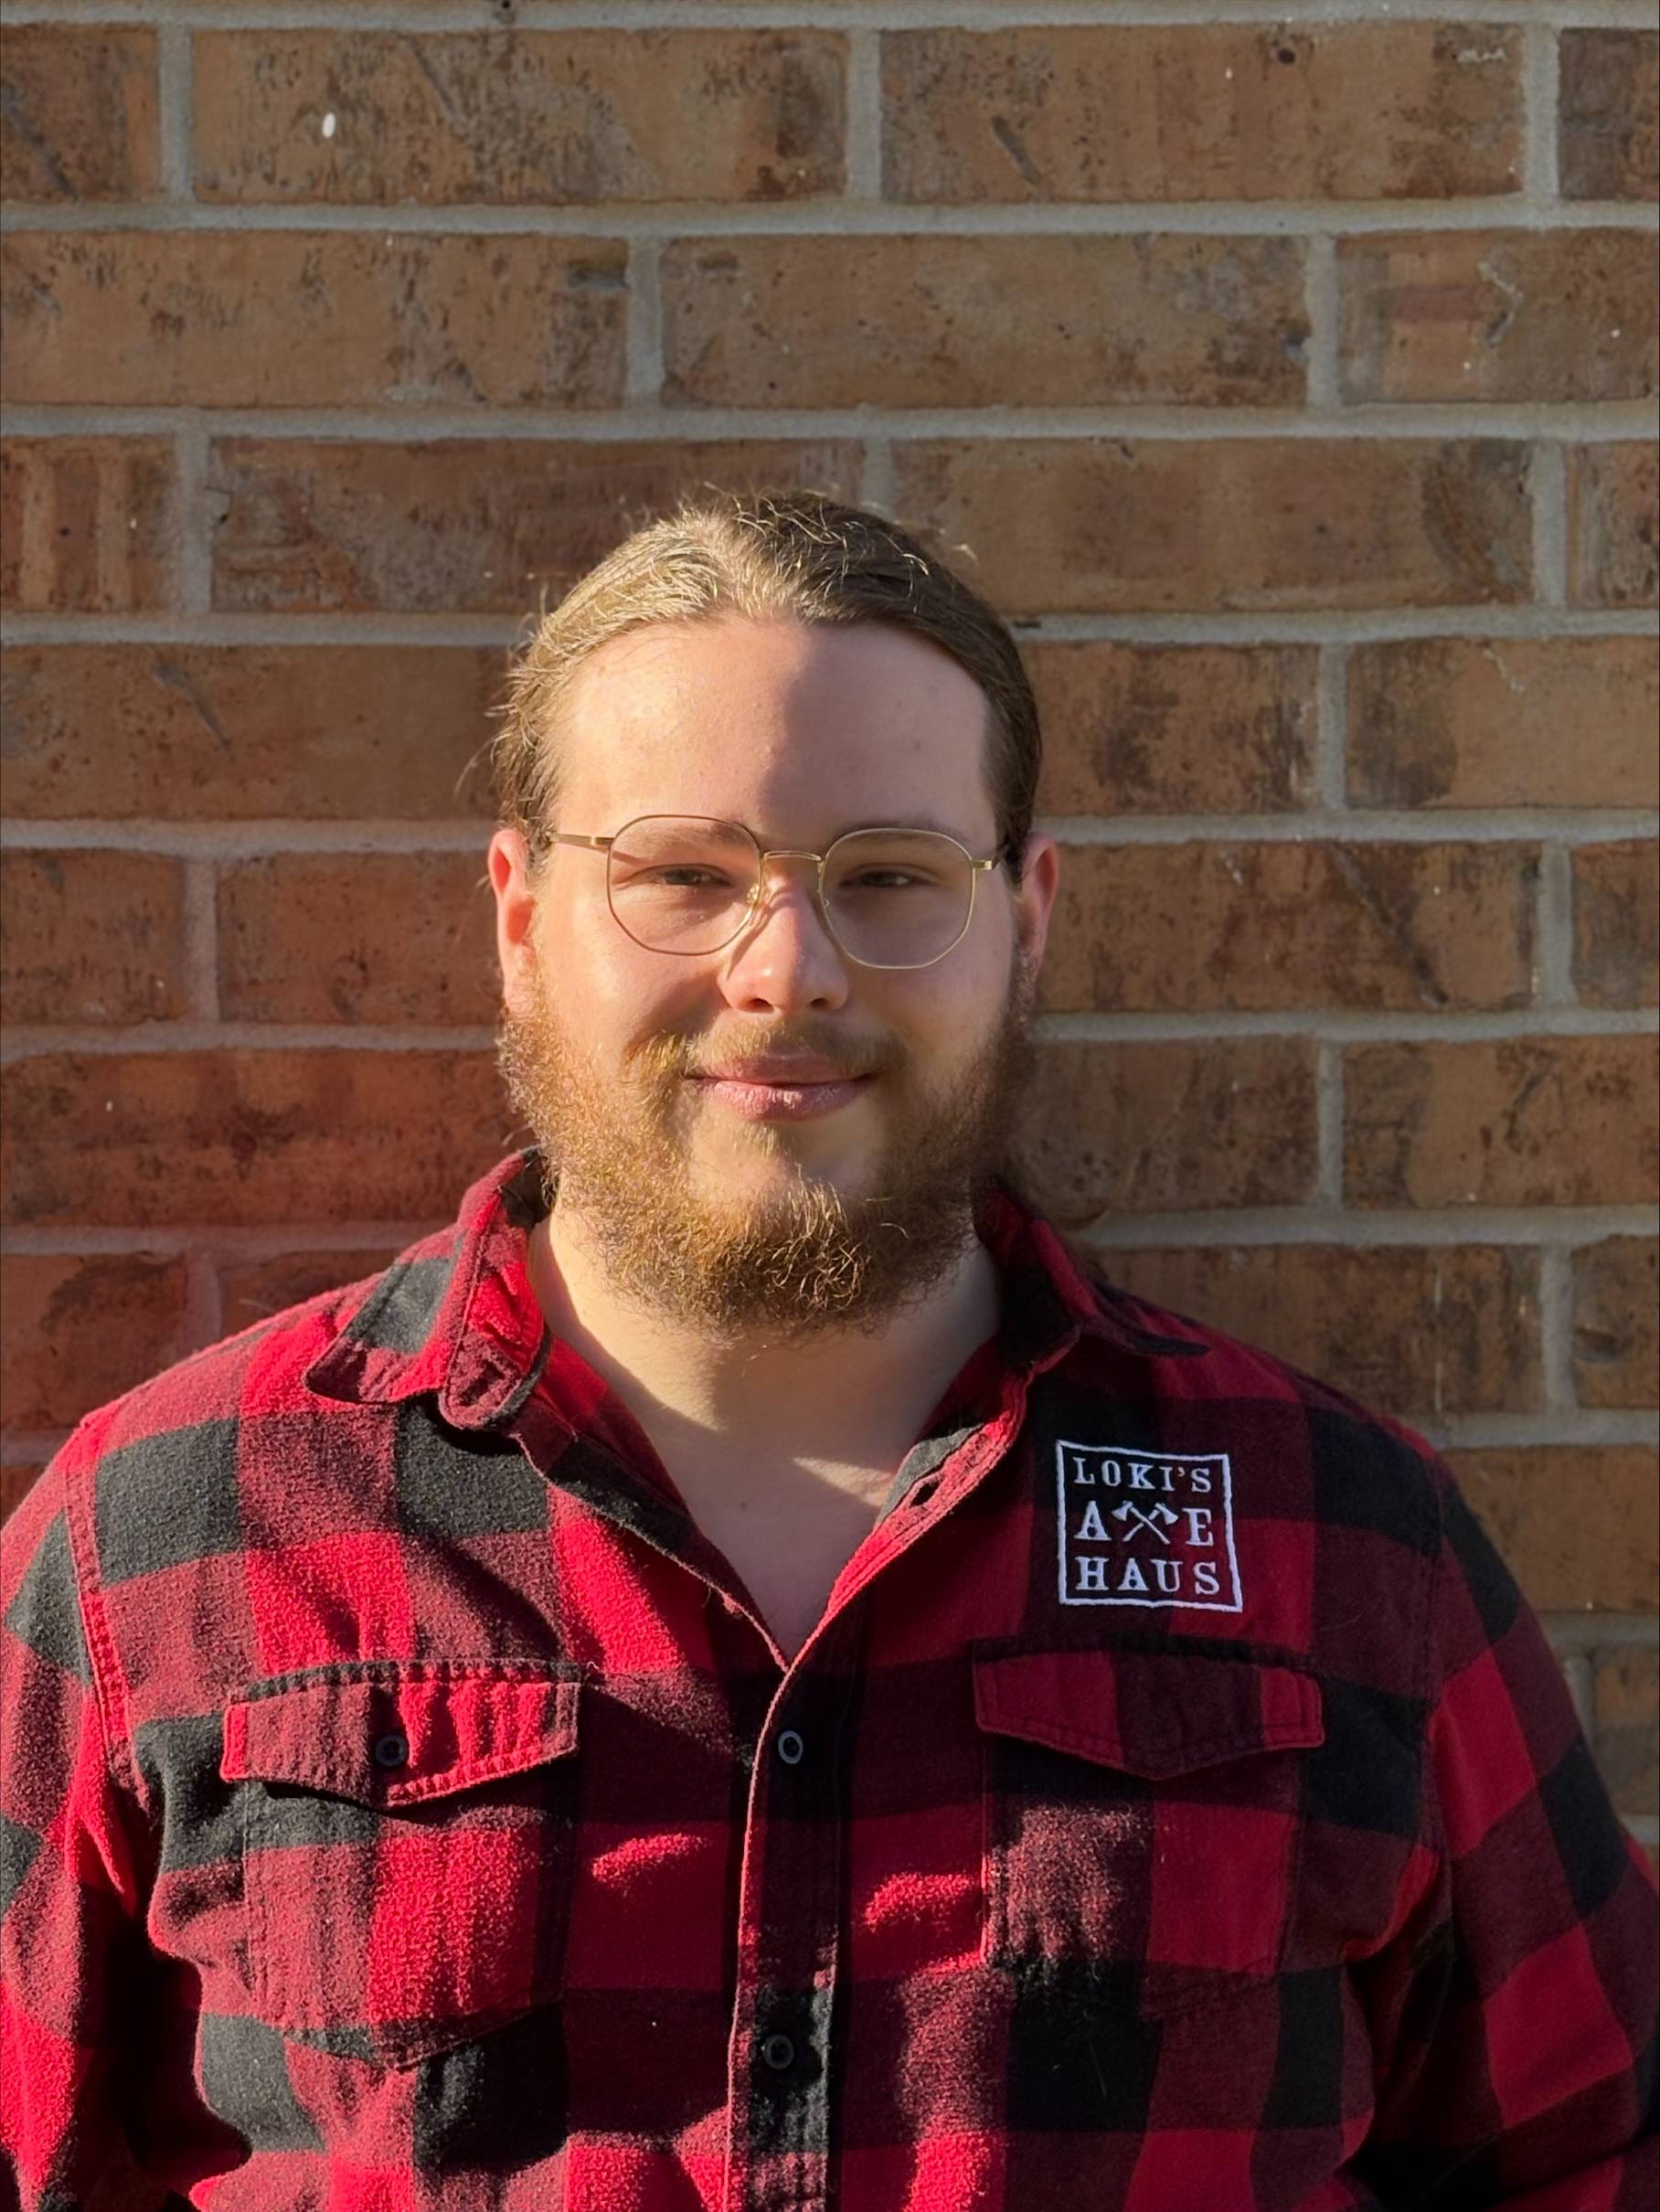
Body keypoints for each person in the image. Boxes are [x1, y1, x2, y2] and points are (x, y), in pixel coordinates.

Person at [1, 493, 1653, 2211]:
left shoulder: (1344, 1543)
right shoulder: (170, 1535)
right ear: (518, 916)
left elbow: (1594, 2152)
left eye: (887, 877)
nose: (785, 969)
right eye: (684, 877)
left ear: (1027, 918)